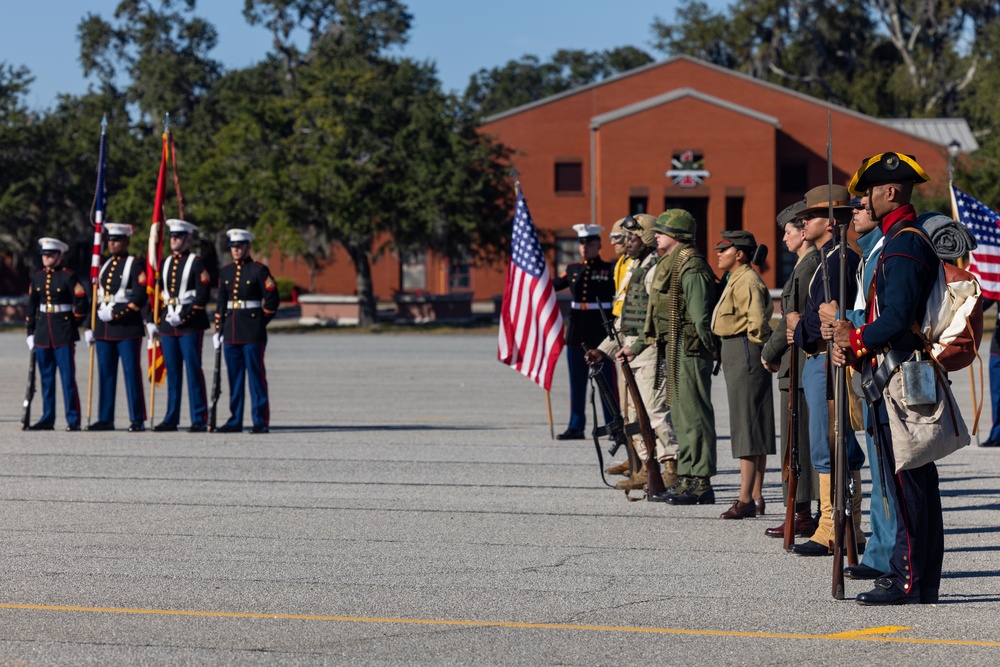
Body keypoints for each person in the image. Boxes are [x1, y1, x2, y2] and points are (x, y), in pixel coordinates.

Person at [832, 151, 942, 605]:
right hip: (893, 371)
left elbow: (895, 318)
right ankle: (912, 577)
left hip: (898, 373)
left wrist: (854, 337)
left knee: (908, 484)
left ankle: (910, 581)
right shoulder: (897, 238)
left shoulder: (902, 243)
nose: (864, 200)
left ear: (890, 191)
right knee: (907, 483)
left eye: (868, 192)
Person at [785, 185, 866, 556]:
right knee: (828, 443)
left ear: (832, 222)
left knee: (829, 443)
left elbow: (829, 321)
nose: (804, 223)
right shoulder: (828, 257)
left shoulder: (836, 260)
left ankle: (834, 526)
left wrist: (798, 324)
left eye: (810, 217)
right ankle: (844, 525)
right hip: (819, 356)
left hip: (826, 358)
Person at [820, 196, 896, 581]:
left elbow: (888, 314)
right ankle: (881, 554)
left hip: (888, 372)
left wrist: (842, 320)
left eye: (862, 206)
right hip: (867, 369)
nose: (854, 214)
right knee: (880, 466)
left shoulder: (886, 249)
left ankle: (890, 558)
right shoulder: (866, 253)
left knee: (889, 471)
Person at [619, 209, 718, 505]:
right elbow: (654, 315)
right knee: (681, 415)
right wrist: (635, 348)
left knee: (695, 416)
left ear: (677, 236)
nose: (656, 235)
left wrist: (710, 350)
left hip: (690, 350)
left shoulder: (691, 265)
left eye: (662, 231)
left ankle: (701, 481)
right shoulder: (668, 263)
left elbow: (701, 318)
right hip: (672, 348)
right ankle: (687, 475)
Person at [587, 214, 678, 491]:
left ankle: (671, 465)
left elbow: (655, 318)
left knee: (653, 410)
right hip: (626, 350)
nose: (627, 243)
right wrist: (603, 350)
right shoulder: (633, 268)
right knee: (630, 415)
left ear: (647, 237)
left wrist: (638, 346)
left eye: (633, 237)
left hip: (648, 351)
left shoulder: (654, 269)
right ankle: (644, 466)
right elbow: (624, 319)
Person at [761, 201, 820, 538]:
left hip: (798, 366)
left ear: (803, 232)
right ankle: (798, 510)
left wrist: (769, 352)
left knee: (799, 442)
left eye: (788, 231)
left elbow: (791, 319)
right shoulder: (802, 265)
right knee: (793, 442)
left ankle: (801, 512)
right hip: (791, 366)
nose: (783, 238)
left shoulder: (809, 265)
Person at [711, 230, 775, 519]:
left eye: (724, 250)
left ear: (739, 253)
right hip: (739, 349)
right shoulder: (737, 278)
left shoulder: (746, 279)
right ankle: (756, 494)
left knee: (746, 423)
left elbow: (758, 322)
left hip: (744, 348)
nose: (718, 254)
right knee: (753, 422)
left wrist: (762, 353)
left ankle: (745, 497)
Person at [552, 223, 616, 440]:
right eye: (581, 242)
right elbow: (550, 286)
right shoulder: (572, 270)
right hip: (577, 333)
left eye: (589, 242)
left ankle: (613, 425)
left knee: (607, 382)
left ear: (598, 244)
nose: (584, 246)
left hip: (600, 332)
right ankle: (576, 426)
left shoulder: (609, 269)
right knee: (576, 382)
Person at [214, 228, 280, 434]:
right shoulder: (225, 272)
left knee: (256, 377)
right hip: (231, 331)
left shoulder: (259, 270)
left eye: (239, 246)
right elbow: (221, 303)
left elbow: (272, 298)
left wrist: (261, 321)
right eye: (233, 246)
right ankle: (235, 420)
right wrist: (219, 328)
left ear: (247, 247)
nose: (235, 250)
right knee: (235, 379)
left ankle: (260, 420)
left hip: (252, 332)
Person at [85, 223, 149, 432]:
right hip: (104, 328)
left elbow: (140, 296)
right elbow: (97, 297)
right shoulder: (103, 266)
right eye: (110, 240)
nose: (112, 244)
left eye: (117, 240)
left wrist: (116, 313)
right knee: (105, 373)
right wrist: (90, 325)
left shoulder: (134, 264)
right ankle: (105, 418)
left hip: (126, 327)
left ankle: (137, 418)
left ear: (126, 242)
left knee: (131, 373)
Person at [151, 219, 212, 433]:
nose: (173, 239)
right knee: (173, 372)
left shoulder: (196, 263)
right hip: (169, 324)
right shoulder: (166, 263)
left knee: (193, 369)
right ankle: (171, 417)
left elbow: (202, 295)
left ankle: (199, 417)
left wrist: (184, 316)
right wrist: (156, 320)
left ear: (188, 239)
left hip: (189, 324)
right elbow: (160, 294)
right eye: (171, 236)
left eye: (178, 236)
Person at [25, 238, 89, 431]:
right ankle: (47, 417)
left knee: (67, 378)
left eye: (50, 255)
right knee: (46, 379)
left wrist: (73, 323)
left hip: (63, 333)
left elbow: (81, 302)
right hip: (43, 333)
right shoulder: (37, 277)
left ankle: (73, 419)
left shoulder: (68, 276)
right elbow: (32, 306)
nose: (46, 258)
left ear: (60, 256)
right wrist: (30, 331)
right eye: (44, 255)